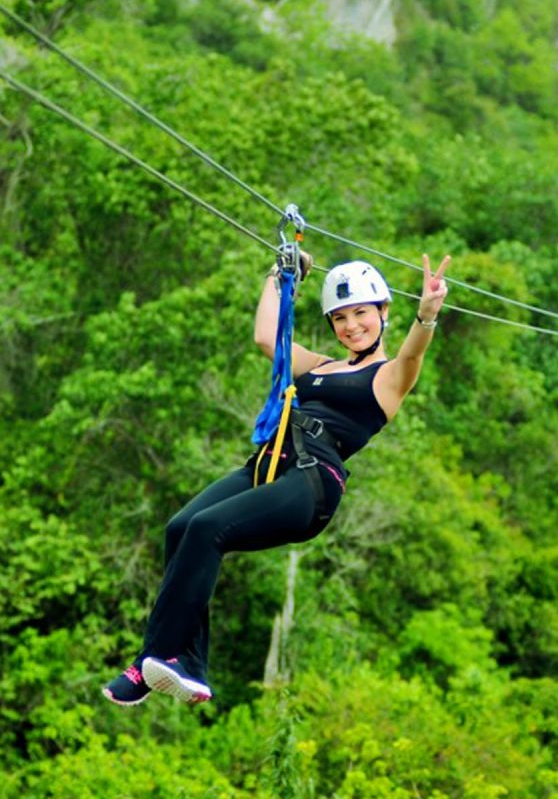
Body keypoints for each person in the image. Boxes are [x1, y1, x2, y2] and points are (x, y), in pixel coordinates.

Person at [102, 253, 450, 706]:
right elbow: (267, 337)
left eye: (362, 313)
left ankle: (161, 658)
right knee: (181, 527)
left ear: (384, 312)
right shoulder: (320, 367)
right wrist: (281, 274)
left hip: (311, 482)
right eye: (340, 318)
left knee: (210, 530)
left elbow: (412, 353)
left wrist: (426, 313)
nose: (351, 326)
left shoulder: (386, 379)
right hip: (267, 465)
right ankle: (182, 661)